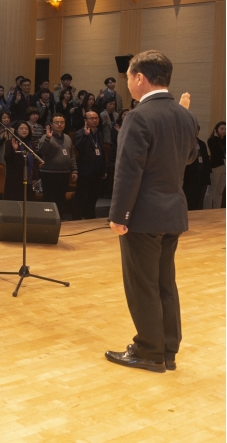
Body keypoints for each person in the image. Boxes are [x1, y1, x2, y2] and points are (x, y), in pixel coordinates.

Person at [106, 50, 197, 373]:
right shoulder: (184, 115)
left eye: (128, 77)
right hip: (173, 213)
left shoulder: (139, 117)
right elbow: (187, 157)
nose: (128, 83)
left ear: (140, 78)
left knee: (142, 284)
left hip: (143, 216)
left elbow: (129, 170)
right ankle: (167, 349)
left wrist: (119, 215)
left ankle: (148, 349)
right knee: (163, 283)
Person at [37, 115, 77, 219]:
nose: (59, 124)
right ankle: (47, 218)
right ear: (51, 124)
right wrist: (48, 139)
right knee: (49, 198)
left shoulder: (67, 138)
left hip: (64, 173)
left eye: (62, 122)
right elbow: (41, 151)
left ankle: (58, 218)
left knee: (61, 198)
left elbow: (71, 155)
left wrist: (74, 170)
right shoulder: (45, 137)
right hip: (49, 173)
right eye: (56, 122)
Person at [73, 111, 107, 220]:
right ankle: (77, 216)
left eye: (96, 118)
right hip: (84, 169)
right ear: (85, 120)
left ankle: (90, 215)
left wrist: (103, 169)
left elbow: (101, 152)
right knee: (81, 194)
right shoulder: (79, 133)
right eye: (91, 118)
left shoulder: (99, 133)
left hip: (97, 170)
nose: (94, 120)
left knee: (94, 194)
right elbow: (78, 148)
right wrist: (85, 136)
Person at [182, 130, 210, 211]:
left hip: (200, 174)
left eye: (197, 130)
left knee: (197, 196)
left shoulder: (201, 143)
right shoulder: (186, 143)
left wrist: (206, 174)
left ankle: (195, 211)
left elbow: (205, 159)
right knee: (187, 195)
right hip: (189, 174)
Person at [206, 122, 225, 208]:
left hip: (225, 167)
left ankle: (216, 210)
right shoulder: (212, 140)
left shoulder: (224, 140)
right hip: (216, 167)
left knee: (219, 191)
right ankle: (207, 211)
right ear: (216, 129)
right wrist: (217, 138)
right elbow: (217, 152)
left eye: (225, 129)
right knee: (211, 191)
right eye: (222, 129)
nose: (224, 131)